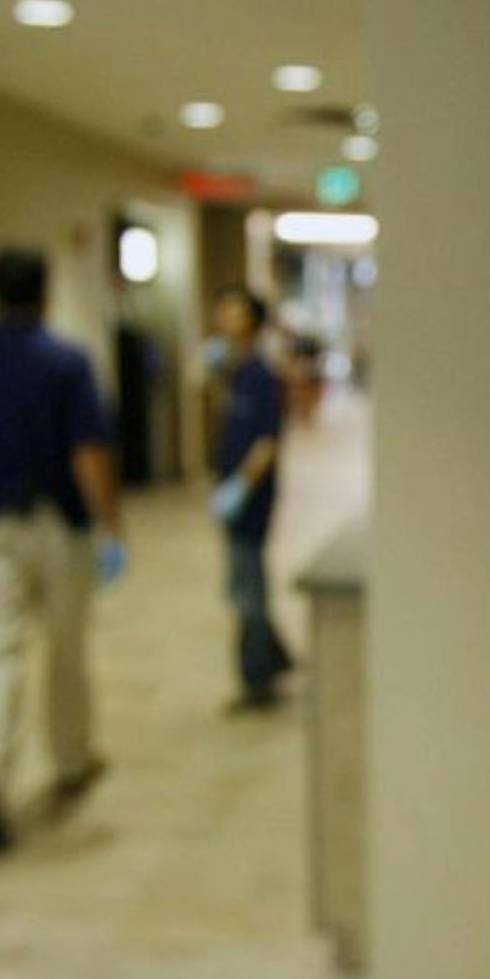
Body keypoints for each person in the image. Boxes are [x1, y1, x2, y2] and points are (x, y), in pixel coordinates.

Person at [0, 246, 123, 856]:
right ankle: (71, 760)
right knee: (65, 648)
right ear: (44, 295)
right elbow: (87, 451)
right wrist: (111, 525)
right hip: (56, 523)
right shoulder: (65, 361)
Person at [209, 287, 293, 708]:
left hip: (251, 498)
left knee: (248, 589)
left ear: (252, 322)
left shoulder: (261, 374)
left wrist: (240, 486)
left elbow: (266, 440)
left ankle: (259, 679)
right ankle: (275, 658)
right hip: (235, 492)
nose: (223, 316)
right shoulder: (235, 372)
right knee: (243, 582)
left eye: (234, 311)